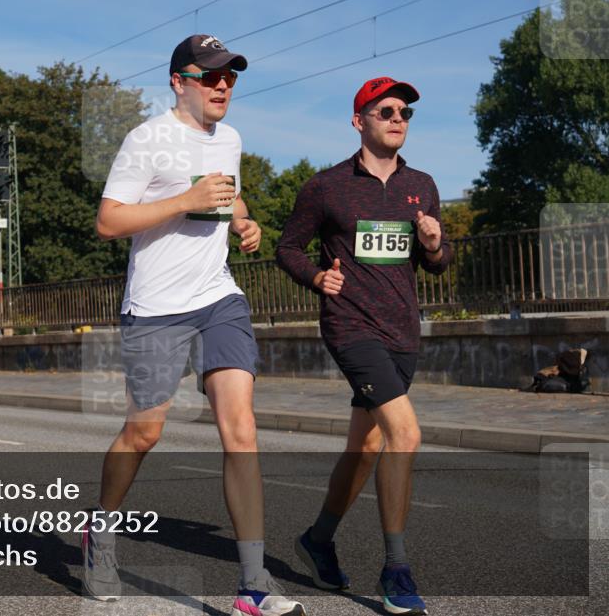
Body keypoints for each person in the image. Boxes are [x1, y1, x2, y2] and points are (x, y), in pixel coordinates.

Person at [85, 34, 306, 616]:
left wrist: (244, 220)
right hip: (156, 307)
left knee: (241, 430)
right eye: (210, 76)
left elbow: (227, 194)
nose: (223, 85)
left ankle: (254, 585)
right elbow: (109, 221)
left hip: (218, 300)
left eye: (230, 75)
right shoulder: (146, 140)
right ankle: (100, 531)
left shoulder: (229, 138)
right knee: (145, 432)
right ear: (179, 82)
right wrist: (184, 199)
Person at [276, 77, 452, 616]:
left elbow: (437, 263)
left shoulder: (420, 184)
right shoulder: (327, 186)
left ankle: (318, 540)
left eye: (406, 112)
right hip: (351, 327)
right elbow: (288, 248)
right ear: (360, 121)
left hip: (402, 331)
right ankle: (396, 569)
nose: (399, 118)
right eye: (386, 110)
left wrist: (434, 243)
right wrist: (315, 279)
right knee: (406, 433)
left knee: (367, 445)